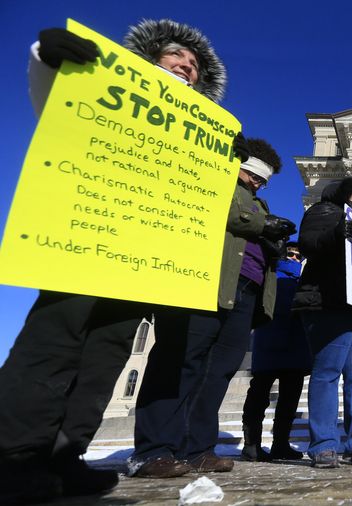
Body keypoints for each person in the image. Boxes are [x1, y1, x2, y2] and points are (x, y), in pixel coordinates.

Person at [0, 18, 226, 504]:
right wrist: (47, 58)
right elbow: (60, 110)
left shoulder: (193, 128)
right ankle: (14, 455)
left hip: (139, 256)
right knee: (54, 342)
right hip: (84, 238)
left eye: (192, 66)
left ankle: (65, 455)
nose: (186, 67)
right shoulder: (111, 88)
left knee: (106, 356)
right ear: (151, 60)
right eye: (176, 59)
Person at [129, 137, 296, 478]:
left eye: (263, 180)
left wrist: (274, 240)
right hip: (206, 284)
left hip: (245, 293)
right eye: (254, 174)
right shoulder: (212, 185)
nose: (258, 182)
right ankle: (153, 449)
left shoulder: (257, 204)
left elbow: (253, 227)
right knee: (180, 363)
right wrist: (264, 225)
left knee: (217, 372)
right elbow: (228, 214)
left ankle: (197, 448)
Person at [293, 177, 352, 468]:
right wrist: (336, 234)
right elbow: (308, 243)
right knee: (328, 371)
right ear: (340, 195)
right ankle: (324, 444)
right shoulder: (324, 212)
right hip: (329, 302)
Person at [241, 242, 311, 462]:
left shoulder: (297, 277)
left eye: (297, 255)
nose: (293, 258)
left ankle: (276, 443)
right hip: (273, 339)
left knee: (287, 398)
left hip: (290, 341)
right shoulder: (273, 273)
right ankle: (255, 443)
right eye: (290, 254)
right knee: (261, 395)